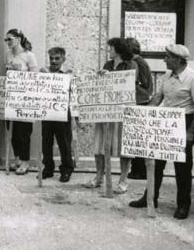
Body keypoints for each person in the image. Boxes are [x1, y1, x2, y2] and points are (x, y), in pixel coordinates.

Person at [129, 43, 194, 219]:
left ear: (178, 60)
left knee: (183, 168)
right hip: (165, 122)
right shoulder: (167, 76)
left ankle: (183, 205)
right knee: (155, 164)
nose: (164, 59)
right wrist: (144, 114)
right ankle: (150, 197)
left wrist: (191, 132)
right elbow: (158, 97)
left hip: (184, 122)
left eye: (167, 57)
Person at [84, 38, 140, 194]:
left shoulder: (131, 65)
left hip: (123, 111)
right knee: (100, 146)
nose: (109, 51)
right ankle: (99, 176)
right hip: (105, 111)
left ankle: (123, 180)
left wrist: (110, 77)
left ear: (119, 50)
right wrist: (100, 76)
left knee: (124, 148)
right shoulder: (107, 65)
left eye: (111, 49)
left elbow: (128, 83)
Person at [3, 28, 38, 175]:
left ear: (18, 39)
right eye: (6, 40)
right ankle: (17, 158)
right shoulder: (8, 55)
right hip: (11, 97)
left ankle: (25, 161)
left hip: (25, 98)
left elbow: (35, 76)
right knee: (12, 130)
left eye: (9, 39)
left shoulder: (29, 56)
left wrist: (20, 74)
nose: (8, 43)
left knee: (24, 131)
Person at [40, 46, 75, 182]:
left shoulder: (69, 73)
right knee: (46, 142)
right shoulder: (44, 72)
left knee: (64, 142)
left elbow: (73, 91)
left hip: (62, 111)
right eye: (51, 58)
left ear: (63, 59)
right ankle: (48, 169)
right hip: (47, 110)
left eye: (57, 58)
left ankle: (66, 170)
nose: (54, 61)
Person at [125, 37, 152, 180]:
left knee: (137, 138)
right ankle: (138, 169)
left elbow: (143, 82)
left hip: (139, 101)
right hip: (141, 100)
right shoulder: (140, 61)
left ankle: (139, 170)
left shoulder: (137, 62)